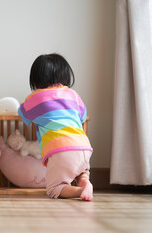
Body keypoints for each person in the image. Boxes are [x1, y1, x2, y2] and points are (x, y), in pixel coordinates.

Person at [18, 53, 93, 200]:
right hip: (84, 147)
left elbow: (23, 113)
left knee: (54, 189)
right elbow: (82, 117)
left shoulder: (36, 97)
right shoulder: (73, 94)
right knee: (80, 172)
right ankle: (85, 181)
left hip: (61, 150)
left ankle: (79, 191)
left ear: (36, 79)